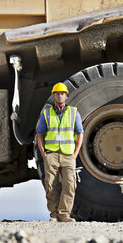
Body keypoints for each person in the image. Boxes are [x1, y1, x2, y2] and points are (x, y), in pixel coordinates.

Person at [36, 82, 84, 222]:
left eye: (62, 93)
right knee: (50, 184)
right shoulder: (46, 114)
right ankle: (54, 214)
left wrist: (75, 153)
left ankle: (64, 214)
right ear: (53, 96)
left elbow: (80, 133)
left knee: (70, 184)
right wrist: (44, 154)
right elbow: (39, 135)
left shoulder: (74, 112)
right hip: (51, 154)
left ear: (66, 96)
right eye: (57, 93)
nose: (60, 96)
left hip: (68, 155)